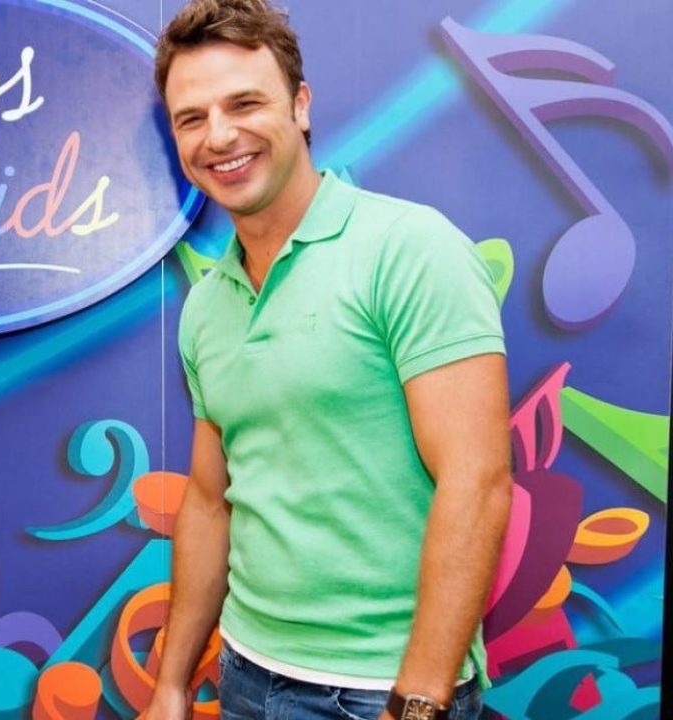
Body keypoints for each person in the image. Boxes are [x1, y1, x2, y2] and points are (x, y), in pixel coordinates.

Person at [146, 1, 512, 719]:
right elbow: (210, 501)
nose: (219, 135)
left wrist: (418, 703)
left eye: (244, 103)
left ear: (300, 106)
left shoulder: (410, 250)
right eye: (192, 118)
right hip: (245, 675)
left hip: (381, 691)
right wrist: (171, 683)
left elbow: (478, 483)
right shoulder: (206, 305)